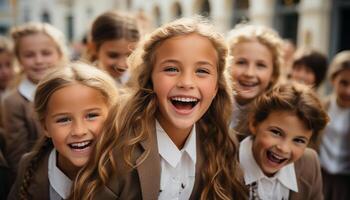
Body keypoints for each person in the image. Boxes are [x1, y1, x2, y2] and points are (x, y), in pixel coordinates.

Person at [71, 17, 248, 200]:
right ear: (150, 79)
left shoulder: (224, 143)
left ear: (216, 87)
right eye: (171, 69)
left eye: (202, 71)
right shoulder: (119, 147)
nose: (186, 83)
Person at [7, 62, 118, 199]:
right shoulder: (29, 165)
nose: (79, 131)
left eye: (91, 116)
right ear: (45, 127)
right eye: (64, 120)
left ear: (112, 117)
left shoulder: (128, 171)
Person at [1, 22, 68, 183]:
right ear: (18, 59)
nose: (39, 60)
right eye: (29, 55)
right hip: (39, 182)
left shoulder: (72, 91)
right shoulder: (13, 102)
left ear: (59, 54)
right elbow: (18, 157)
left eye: (46, 53)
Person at [240, 82, 329, 200]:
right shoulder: (222, 161)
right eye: (276, 132)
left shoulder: (310, 163)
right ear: (254, 124)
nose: (284, 148)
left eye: (299, 140)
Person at [226, 24, 284, 134]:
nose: (249, 73)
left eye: (260, 65)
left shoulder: (279, 116)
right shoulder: (207, 107)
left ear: (273, 74)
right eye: (241, 62)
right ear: (226, 65)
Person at [318, 50, 350, 200]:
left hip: (345, 182)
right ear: (333, 79)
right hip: (320, 176)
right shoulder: (320, 107)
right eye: (344, 83)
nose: (348, 91)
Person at [86, 10, 140, 86]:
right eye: (113, 55)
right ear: (94, 48)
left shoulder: (140, 84)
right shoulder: (85, 86)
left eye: (130, 56)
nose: (122, 65)